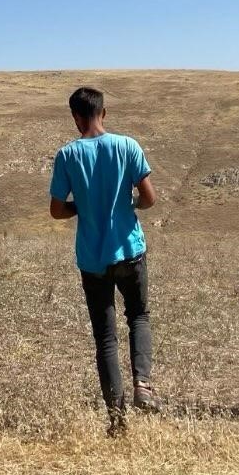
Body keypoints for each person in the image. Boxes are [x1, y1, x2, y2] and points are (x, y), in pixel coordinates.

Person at [49, 86, 159, 436]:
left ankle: (117, 419)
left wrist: (81, 206)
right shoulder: (128, 146)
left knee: (105, 337)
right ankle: (143, 383)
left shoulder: (67, 155)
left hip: (92, 258)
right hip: (129, 249)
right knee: (139, 316)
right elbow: (149, 198)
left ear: (75, 117)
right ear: (104, 113)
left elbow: (55, 210)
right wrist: (130, 206)